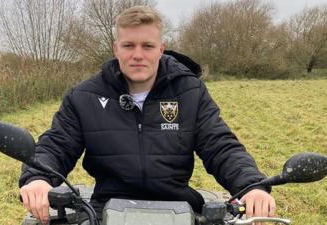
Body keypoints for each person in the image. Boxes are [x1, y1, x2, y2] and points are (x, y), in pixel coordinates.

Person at [19, 5, 276, 224]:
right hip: (105, 209)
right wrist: (38, 179)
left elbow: (221, 146)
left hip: (180, 207)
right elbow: (57, 144)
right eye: (129, 45)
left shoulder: (189, 91)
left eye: (147, 45)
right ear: (116, 48)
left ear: (161, 48)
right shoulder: (84, 96)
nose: (138, 55)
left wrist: (251, 186)